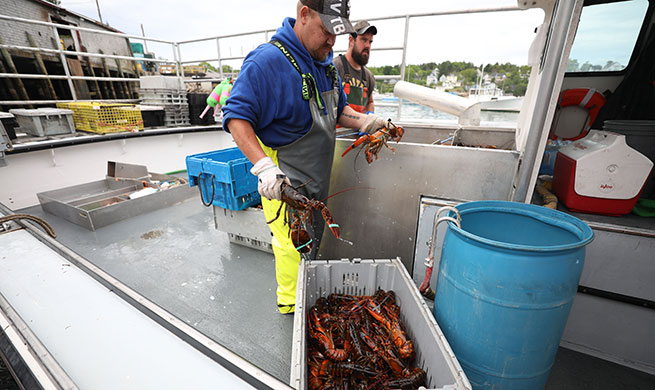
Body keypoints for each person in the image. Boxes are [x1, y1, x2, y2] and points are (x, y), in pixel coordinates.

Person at [222, 0, 393, 314]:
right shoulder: (267, 61)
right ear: (303, 14)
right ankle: (291, 308)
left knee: (314, 240)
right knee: (290, 247)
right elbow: (236, 116)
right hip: (284, 181)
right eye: (326, 30)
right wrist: (263, 167)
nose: (332, 41)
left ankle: (308, 299)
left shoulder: (325, 63)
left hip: (318, 179)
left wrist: (366, 121)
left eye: (337, 34)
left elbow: (339, 110)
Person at [333, 20, 377, 114]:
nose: (368, 46)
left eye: (370, 42)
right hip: (336, 128)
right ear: (351, 40)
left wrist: (370, 116)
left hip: (359, 128)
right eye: (364, 40)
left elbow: (370, 102)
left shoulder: (368, 77)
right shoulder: (335, 67)